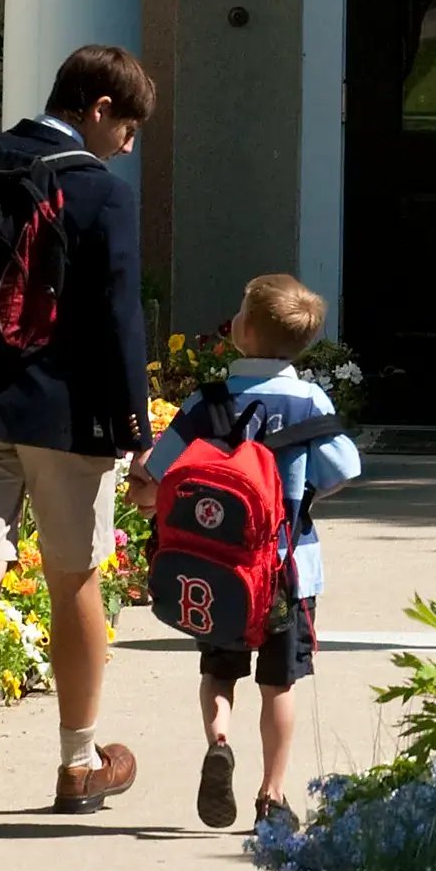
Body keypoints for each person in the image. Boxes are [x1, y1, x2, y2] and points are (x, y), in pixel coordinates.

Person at [0, 44, 156, 834]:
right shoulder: (101, 194)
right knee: (75, 579)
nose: (129, 143)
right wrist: (139, 430)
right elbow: (122, 320)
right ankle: (79, 763)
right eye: (128, 126)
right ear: (96, 108)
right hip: (67, 416)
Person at [130, 274, 361, 832]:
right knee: (278, 684)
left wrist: (143, 496)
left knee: (220, 671)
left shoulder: (207, 400)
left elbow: (158, 475)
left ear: (243, 331)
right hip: (287, 569)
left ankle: (220, 740)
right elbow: (346, 467)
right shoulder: (308, 400)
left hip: (220, 570)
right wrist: (302, 495)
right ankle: (272, 795)